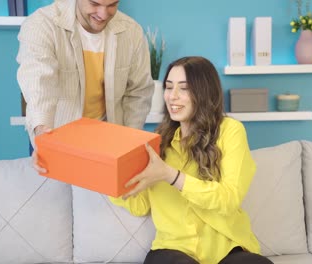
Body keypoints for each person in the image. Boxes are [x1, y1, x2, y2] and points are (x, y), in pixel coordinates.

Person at [109, 56, 274, 264]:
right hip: (172, 250)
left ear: (204, 92)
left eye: (184, 88)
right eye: (168, 87)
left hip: (228, 250)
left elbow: (229, 198)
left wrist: (171, 176)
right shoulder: (157, 145)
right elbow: (141, 205)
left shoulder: (230, 131)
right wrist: (107, 178)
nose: (172, 96)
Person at [16, 0, 154, 172]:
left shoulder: (132, 31)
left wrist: (129, 143)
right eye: (94, 3)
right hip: (54, 136)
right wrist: (43, 133)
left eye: (112, 5)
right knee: (55, 196)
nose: (103, 14)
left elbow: (139, 91)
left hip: (108, 141)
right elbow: (39, 82)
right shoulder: (42, 24)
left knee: (102, 199)